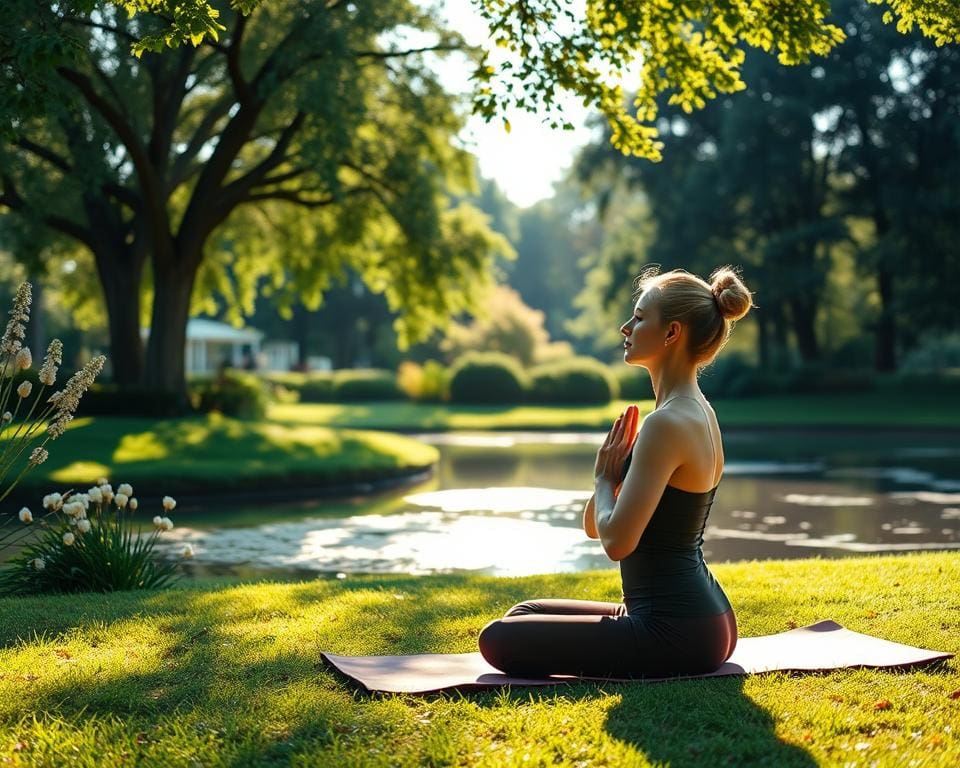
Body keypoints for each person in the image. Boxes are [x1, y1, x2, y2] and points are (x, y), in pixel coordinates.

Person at [477, 264, 755, 678]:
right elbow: (595, 524)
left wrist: (604, 477)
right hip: (703, 619)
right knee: (523, 613)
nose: (626, 327)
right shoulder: (694, 412)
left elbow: (616, 543)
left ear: (671, 333)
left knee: (497, 639)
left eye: (640, 318)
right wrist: (618, 470)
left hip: (675, 631)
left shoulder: (667, 424)